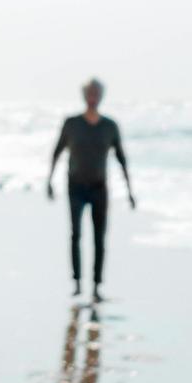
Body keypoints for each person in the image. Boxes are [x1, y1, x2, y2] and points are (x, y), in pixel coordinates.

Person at [46, 78, 135, 300]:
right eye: (90, 93)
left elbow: (122, 159)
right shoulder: (72, 123)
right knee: (76, 234)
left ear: (101, 96)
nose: (93, 96)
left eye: (96, 93)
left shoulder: (109, 126)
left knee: (99, 238)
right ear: (84, 95)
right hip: (75, 187)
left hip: (99, 188)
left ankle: (96, 286)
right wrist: (49, 180)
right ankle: (77, 282)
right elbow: (57, 151)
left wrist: (130, 191)